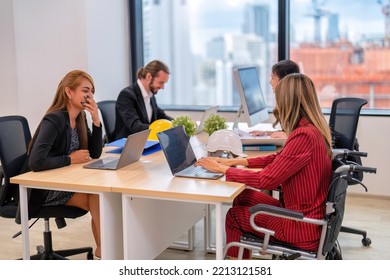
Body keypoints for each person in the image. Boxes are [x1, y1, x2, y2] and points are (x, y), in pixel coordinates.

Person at [195, 73, 333, 259]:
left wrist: (222, 170)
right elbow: (278, 158)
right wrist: (233, 161)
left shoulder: (303, 136)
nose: (276, 105)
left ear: (288, 102)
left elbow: (266, 180)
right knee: (243, 197)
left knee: (234, 216)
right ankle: (244, 256)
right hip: (302, 216)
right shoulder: (310, 129)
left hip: (300, 226)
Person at [27, 70, 103, 258]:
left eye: (92, 91)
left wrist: (95, 120)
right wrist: (71, 159)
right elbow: (36, 162)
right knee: (98, 198)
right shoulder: (54, 119)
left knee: (100, 198)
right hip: (42, 189)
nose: (90, 96)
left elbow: (94, 153)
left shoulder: (79, 118)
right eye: (86, 90)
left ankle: (104, 250)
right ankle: (105, 251)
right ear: (69, 92)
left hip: (63, 181)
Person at [114, 60, 173, 139]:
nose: (162, 87)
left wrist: (178, 124)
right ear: (149, 76)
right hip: (128, 145)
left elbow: (161, 116)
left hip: (145, 143)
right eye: (161, 82)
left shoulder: (150, 96)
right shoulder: (126, 95)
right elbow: (136, 127)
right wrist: (161, 129)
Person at [249, 59, 300, 138]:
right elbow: (289, 131)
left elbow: (301, 134)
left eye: (272, 78)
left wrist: (288, 135)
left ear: (283, 81)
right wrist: (266, 133)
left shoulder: (295, 106)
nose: (270, 82)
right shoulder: (288, 102)